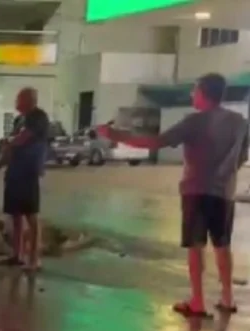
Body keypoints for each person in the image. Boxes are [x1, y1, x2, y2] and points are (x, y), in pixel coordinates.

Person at [99, 73, 249, 318]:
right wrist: (226, 174)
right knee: (223, 245)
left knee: (195, 246)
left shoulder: (193, 122)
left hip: (196, 190)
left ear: (204, 94)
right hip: (225, 192)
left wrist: (116, 136)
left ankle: (198, 302)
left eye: (195, 91)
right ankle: (227, 298)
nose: (192, 95)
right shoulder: (240, 122)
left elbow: (156, 142)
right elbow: (242, 155)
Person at [0, 87, 50, 271]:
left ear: (30, 100)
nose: (16, 102)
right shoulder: (19, 120)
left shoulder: (38, 117)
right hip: (14, 173)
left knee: (31, 216)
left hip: (28, 173)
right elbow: (9, 150)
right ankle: (17, 255)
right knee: (16, 215)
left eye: (19, 98)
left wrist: (8, 141)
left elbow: (23, 138)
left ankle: (34, 259)